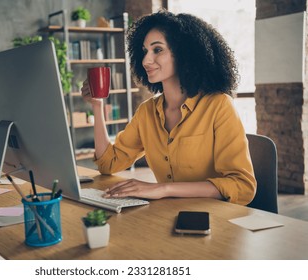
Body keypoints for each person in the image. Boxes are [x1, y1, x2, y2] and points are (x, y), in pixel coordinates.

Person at [81, 10, 256, 205]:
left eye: (157, 50)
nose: (146, 60)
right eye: (144, 51)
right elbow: (108, 163)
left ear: (184, 54)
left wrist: (163, 188)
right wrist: (97, 106)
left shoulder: (219, 105)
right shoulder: (147, 112)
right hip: (168, 216)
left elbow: (242, 186)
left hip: (215, 220)